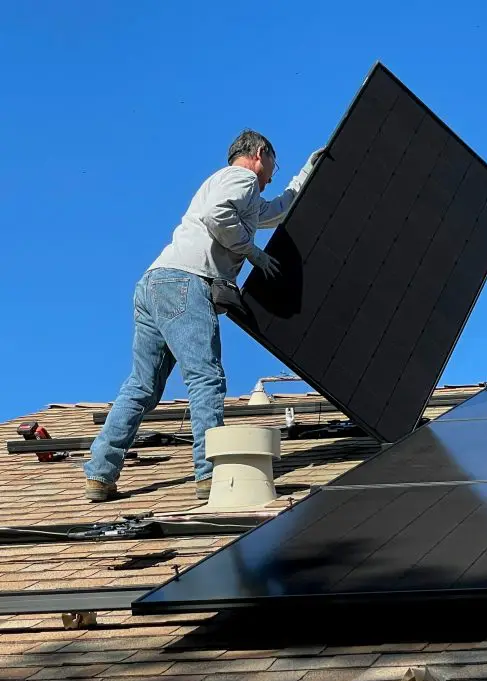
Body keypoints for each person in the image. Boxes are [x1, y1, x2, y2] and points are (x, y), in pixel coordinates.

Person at [84, 129, 324, 502]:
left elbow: (275, 212)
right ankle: (209, 475)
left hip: (154, 283)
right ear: (260, 153)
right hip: (186, 282)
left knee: (142, 387)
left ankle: (100, 473)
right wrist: (252, 253)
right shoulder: (241, 178)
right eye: (275, 163)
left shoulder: (230, 186)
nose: (274, 172)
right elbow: (218, 216)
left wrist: (307, 173)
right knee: (206, 378)